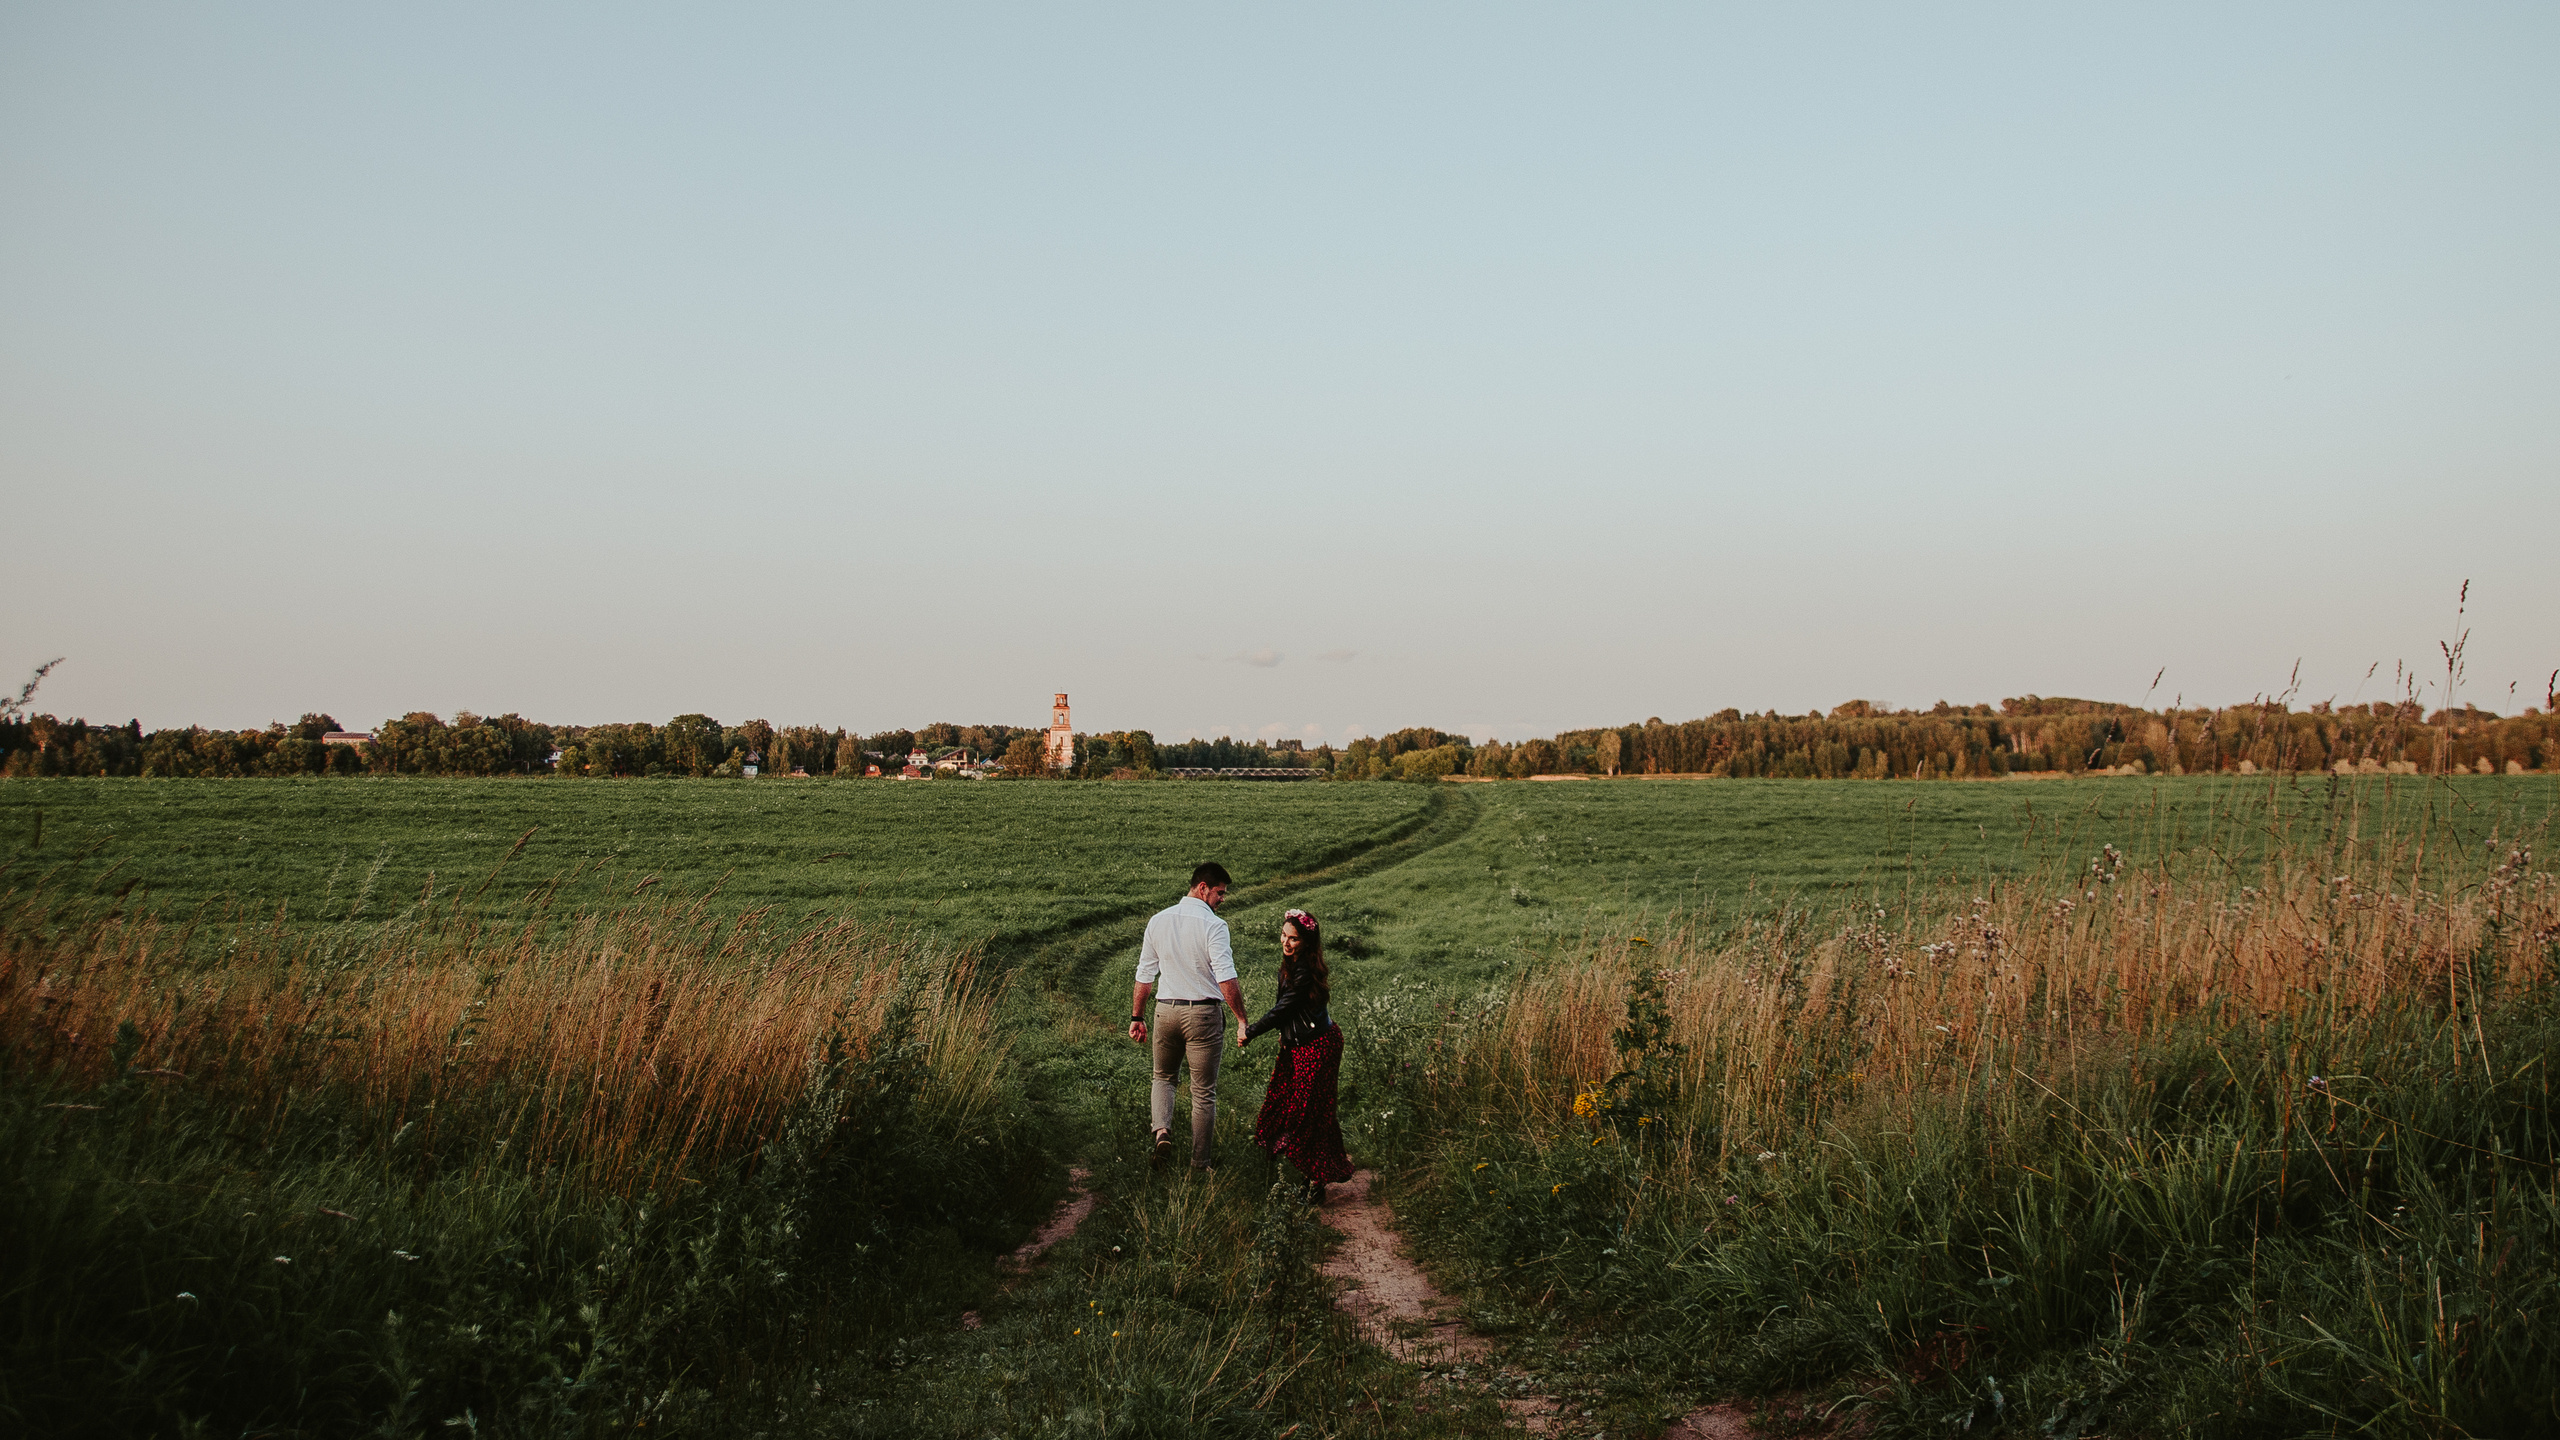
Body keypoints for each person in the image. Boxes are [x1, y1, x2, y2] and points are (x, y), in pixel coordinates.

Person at [1129, 862, 1251, 1168]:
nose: (1223, 899)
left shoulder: (1158, 920)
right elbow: (1227, 979)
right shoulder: (1213, 926)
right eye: (1220, 893)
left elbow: (1144, 976)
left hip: (1165, 1010)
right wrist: (1241, 1019)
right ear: (1203, 888)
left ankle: (1162, 1133)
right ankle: (1200, 1163)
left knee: (1163, 1077)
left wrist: (1136, 1017)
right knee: (1203, 1092)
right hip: (1203, 1015)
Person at [1238, 907, 1353, 1200]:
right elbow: (1287, 1009)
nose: (1285, 943)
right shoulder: (1290, 965)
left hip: (1317, 1047)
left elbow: (1283, 1008)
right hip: (1299, 1046)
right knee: (1294, 1105)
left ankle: (1315, 1180)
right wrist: (1284, 1035)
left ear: (1307, 943)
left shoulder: (1304, 971)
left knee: (1307, 1113)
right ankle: (1315, 1174)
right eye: (1283, 936)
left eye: (1293, 939)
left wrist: (1250, 1032)